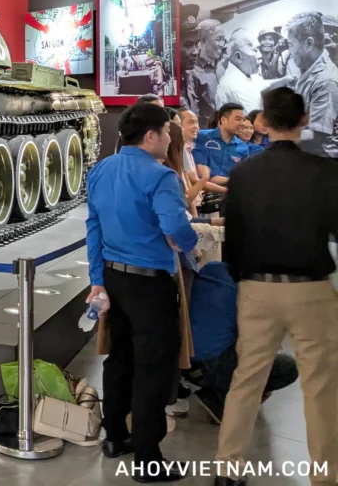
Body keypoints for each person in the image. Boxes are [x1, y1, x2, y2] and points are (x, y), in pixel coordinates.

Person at [214, 87, 338, 486]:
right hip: (311, 291)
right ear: (305, 119)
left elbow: (232, 241)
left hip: (257, 289)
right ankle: (325, 477)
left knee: (247, 380)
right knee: (321, 387)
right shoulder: (325, 172)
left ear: (263, 122)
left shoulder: (243, 173)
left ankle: (227, 470)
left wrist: (244, 279)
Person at [86, 103, 198, 481]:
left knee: (119, 358)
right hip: (151, 284)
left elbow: (94, 227)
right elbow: (176, 227)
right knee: (153, 370)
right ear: (150, 135)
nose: (170, 139)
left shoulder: (101, 169)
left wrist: (96, 279)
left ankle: (115, 436)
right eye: (167, 132)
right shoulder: (161, 176)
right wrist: (187, 241)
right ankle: (148, 459)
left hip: (114, 279)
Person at [185, 261, 299, 425]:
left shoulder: (212, 268)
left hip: (187, 364)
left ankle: (221, 394)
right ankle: (222, 400)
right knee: (287, 367)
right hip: (214, 367)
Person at [283, 12, 338, 145]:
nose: (289, 51)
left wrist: (278, 133)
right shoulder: (307, 70)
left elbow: (317, 135)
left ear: (309, 44)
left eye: (291, 45)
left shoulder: (326, 81)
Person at [193, 103, 250, 186]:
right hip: (201, 191)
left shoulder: (243, 147)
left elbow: (243, 175)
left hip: (229, 193)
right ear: (223, 120)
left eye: (243, 120)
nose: (242, 123)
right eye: (238, 119)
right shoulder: (201, 137)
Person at [214, 30, 268, 112]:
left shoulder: (248, 73)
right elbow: (255, 120)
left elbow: (264, 85)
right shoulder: (233, 87)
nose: (260, 55)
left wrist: (285, 80)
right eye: (255, 50)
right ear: (238, 57)